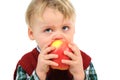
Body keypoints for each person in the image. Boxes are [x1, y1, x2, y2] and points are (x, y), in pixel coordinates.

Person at [14, 0, 98, 80]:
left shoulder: (83, 62)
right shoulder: (27, 64)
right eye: (48, 30)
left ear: (74, 29)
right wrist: (39, 73)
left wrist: (79, 75)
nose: (58, 36)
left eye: (65, 28)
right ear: (31, 33)